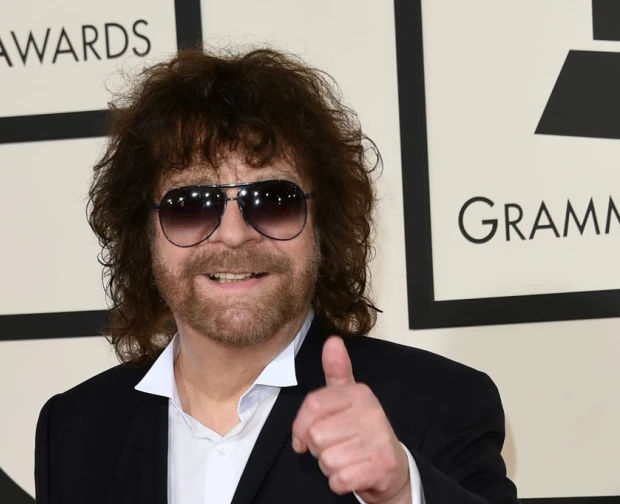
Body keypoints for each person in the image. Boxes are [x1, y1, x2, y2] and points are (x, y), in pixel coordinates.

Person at [34, 48, 519, 504]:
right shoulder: (75, 430)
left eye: (273, 201)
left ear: (322, 226)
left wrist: (400, 492)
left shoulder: (438, 404)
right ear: (143, 236)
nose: (233, 234)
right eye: (190, 206)